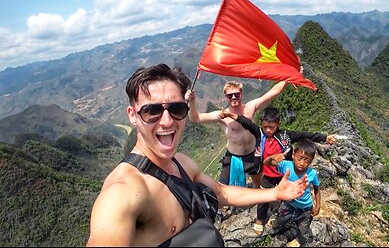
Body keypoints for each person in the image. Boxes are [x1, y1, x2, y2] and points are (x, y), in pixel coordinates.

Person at [86, 64, 308, 247]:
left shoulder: (182, 163)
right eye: (151, 110)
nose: (167, 121)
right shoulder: (123, 192)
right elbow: (197, 118)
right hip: (234, 156)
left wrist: (275, 193)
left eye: (176, 109)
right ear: (133, 116)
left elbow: (221, 193)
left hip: (252, 157)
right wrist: (191, 104)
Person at [219, 106, 335, 236]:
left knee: (285, 197)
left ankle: (288, 214)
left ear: (278, 124)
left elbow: (305, 135)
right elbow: (246, 123)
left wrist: (325, 138)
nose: (268, 130)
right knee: (263, 198)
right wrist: (230, 115)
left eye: (272, 127)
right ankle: (260, 219)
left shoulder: (286, 136)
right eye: (265, 127)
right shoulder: (260, 134)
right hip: (267, 174)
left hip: (284, 175)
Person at [185, 80, 288, 188]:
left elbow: (274, 92)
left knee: (258, 184)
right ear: (226, 96)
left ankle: (259, 203)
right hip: (233, 157)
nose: (234, 97)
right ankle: (227, 205)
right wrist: (192, 101)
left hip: (253, 154)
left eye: (237, 94)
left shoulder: (250, 107)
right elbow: (195, 118)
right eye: (230, 95)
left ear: (241, 94)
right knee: (223, 189)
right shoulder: (221, 115)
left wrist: (288, 79)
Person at [264, 138, 321, 247]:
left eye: (307, 161)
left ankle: (299, 241)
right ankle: (276, 226)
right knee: (281, 219)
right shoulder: (286, 166)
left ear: (311, 161)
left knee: (303, 229)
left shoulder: (312, 173)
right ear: (294, 154)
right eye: (300, 158)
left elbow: (317, 188)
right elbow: (266, 163)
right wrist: (272, 156)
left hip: (305, 208)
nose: (302, 163)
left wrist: (318, 205)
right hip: (288, 204)